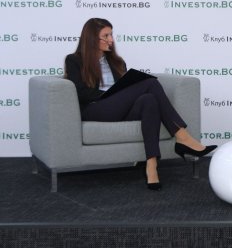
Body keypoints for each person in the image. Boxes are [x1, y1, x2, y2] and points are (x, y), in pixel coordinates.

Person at [64, 18, 217, 191]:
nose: (111, 40)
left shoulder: (117, 62)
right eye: (106, 36)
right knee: (150, 83)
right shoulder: (74, 60)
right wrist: (111, 95)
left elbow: (124, 91)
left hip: (118, 109)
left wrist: (122, 92)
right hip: (95, 109)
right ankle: (183, 137)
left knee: (149, 100)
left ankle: (151, 165)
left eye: (111, 35)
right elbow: (80, 92)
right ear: (91, 38)